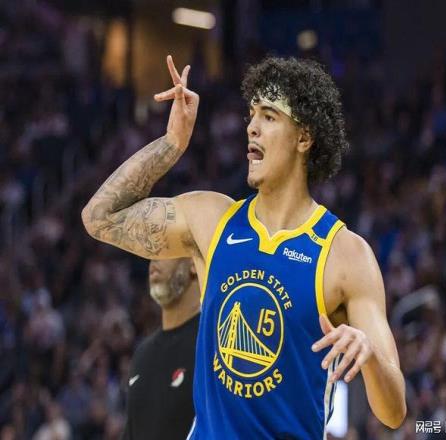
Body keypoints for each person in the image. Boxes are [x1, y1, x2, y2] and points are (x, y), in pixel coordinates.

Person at [82, 55, 406, 438]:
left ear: (303, 138)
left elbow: (394, 412)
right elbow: (99, 217)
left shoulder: (346, 254)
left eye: (269, 116)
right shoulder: (212, 221)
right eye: (251, 115)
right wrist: (171, 144)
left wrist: (369, 355)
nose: (251, 127)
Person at [122, 258, 200, 440]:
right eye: (153, 252)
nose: (154, 259)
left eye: (166, 248)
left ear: (193, 264)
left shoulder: (211, 345)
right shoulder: (143, 353)